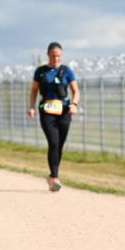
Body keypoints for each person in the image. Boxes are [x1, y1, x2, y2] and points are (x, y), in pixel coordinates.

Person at [27, 42, 80, 192]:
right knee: (54, 142)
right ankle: (55, 178)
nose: (56, 59)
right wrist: (31, 106)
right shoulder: (41, 72)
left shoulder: (67, 71)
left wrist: (74, 104)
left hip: (64, 112)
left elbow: (76, 91)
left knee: (59, 144)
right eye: (53, 56)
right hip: (47, 110)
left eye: (59, 56)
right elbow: (34, 91)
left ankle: (52, 176)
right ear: (48, 55)